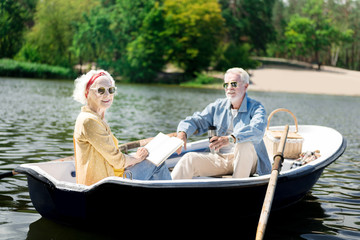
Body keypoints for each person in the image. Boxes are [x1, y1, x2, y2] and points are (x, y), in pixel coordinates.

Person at [73, 70, 171, 185]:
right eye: (101, 90)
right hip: (105, 185)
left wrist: (135, 158)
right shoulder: (89, 120)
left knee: (153, 163)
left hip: (110, 176)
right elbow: (117, 161)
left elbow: (111, 156)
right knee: (158, 164)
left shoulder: (96, 117)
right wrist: (137, 158)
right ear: (86, 93)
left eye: (111, 90)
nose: (107, 95)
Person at [172, 67, 271, 179]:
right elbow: (197, 121)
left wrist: (230, 139)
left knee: (244, 144)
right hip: (221, 158)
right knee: (189, 159)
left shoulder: (256, 107)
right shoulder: (217, 106)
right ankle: (167, 192)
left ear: (246, 86)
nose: (229, 88)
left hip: (250, 162)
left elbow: (258, 129)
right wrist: (182, 133)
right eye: (226, 85)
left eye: (234, 84)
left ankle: (236, 188)